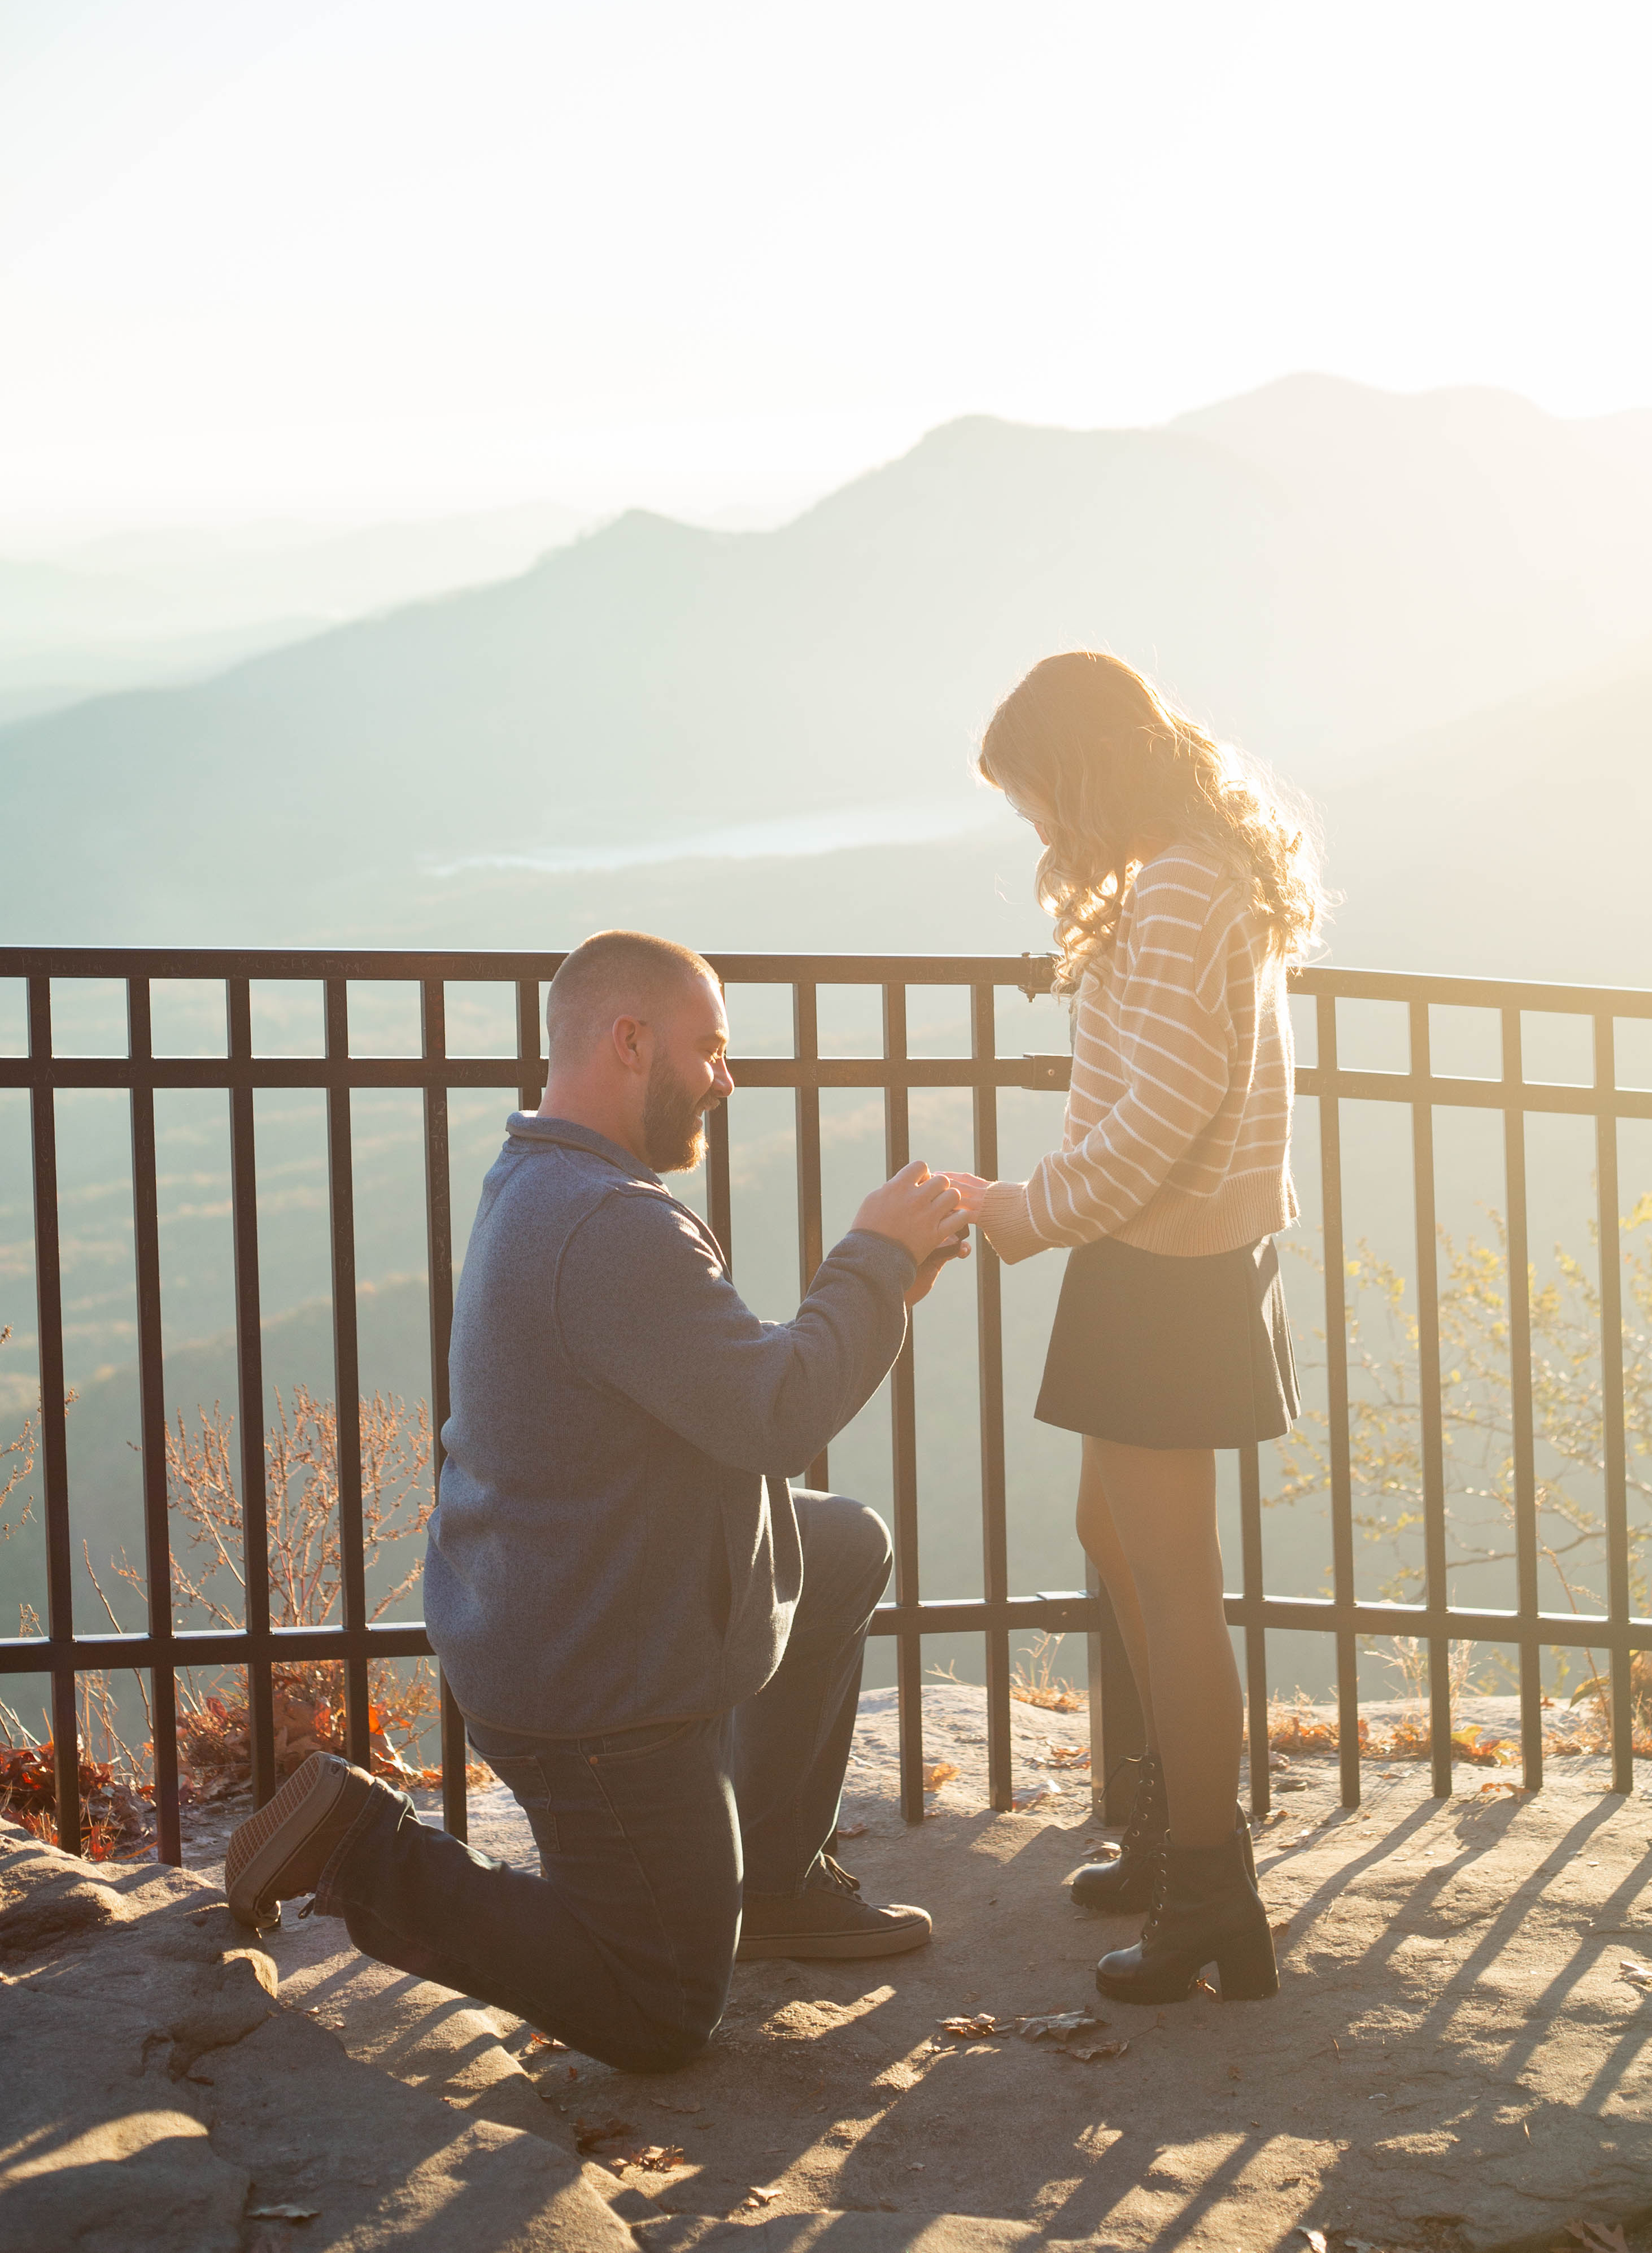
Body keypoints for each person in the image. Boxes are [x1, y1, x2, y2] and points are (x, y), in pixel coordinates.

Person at [224, 929, 968, 2072]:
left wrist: (878, 1286)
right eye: (709, 1048)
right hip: (596, 1680)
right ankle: (363, 1848)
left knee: (842, 1548)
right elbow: (773, 1411)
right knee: (662, 2004)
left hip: (577, 1598)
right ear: (630, 1041)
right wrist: (868, 1259)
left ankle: (767, 1884)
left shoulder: (551, 1174)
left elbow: (723, 1388)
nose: (726, 1077)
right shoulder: (608, 1222)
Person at [946, 651, 1321, 2008]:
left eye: (1036, 795)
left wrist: (1015, 1209)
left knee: (1170, 1581)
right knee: (1117, 1542)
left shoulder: (1175, 891)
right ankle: (1171, 1835)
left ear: (1083, 769)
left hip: (1163, 1275)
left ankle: (1209, 1892)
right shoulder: (1192, 870)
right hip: (1162, 1267)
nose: (1039, 828)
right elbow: (1164, 1102)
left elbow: (1157, 1127)